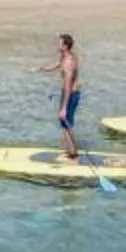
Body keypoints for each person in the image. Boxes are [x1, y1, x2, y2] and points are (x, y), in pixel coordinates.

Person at [35, 33, 83, 163]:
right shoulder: (67, 56)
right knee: (65, 122)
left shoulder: (68, 62)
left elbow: (68, 85)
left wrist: (64, 108)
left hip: (70, 93)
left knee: (65, 121)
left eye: (59, 43)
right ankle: (71, 150)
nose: (56, 45)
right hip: (68, 93)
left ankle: (73, 153)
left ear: (65, 46)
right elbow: (57, 64)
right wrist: (42, 68)